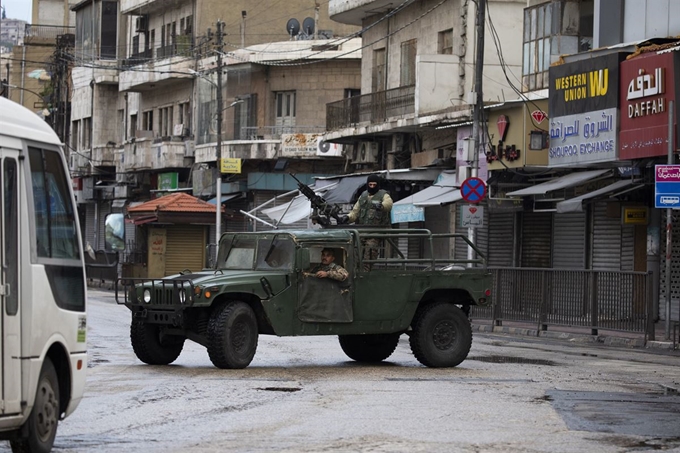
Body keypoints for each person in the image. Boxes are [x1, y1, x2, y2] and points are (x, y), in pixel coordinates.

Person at [340, 175, 393, 270]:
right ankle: (356, 270)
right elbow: (355, 211)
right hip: (362, 232)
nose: (372, 187)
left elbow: (388, 204)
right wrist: (347, 217)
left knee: (370, 249)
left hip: (375, 232)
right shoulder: (363, 196)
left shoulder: (383, 195)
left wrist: (381, 206)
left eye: (374, 185)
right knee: (356, 250)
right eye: (370, 184)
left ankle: (366, 271)